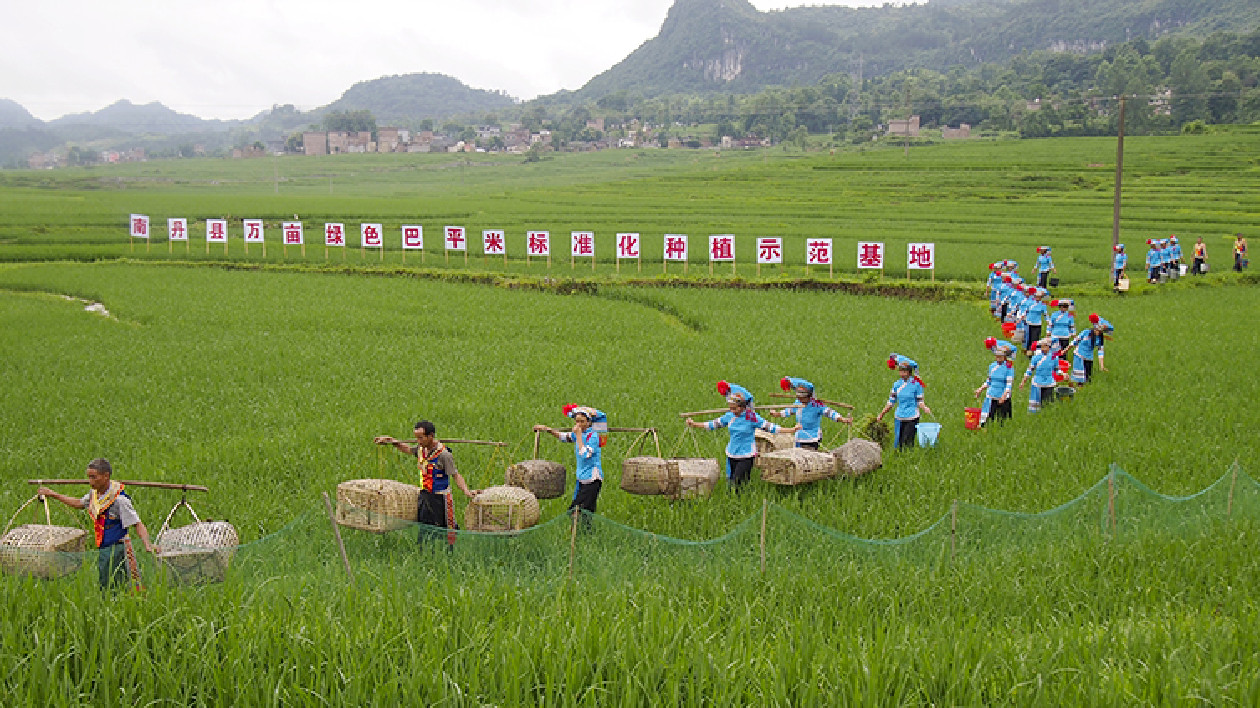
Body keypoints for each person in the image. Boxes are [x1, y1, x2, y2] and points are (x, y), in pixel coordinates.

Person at [38, 458, 157, 590]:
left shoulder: (120, 501)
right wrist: (53, 494)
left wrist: (147, 544)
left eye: (94, 477)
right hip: (103, 548)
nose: (90, 482)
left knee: (118, 585)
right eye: (89, 477)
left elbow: (137, 524)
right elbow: (79, 503)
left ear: (106, 476)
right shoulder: (94, 495)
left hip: (118, 549)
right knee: (105, 584)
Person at [375, 420, 478, 544]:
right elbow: (408, 449)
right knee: (424, 525)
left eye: (421, 438)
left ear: (431, 436)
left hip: (440, 498)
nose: (418, 441)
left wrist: (466, 491)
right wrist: (392, 441)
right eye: (416, 438)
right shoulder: (421, 449)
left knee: (444, 527)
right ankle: (424, 550)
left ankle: (449, 551)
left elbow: (455, 475)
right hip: (425, 494)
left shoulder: (444, 455)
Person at [686, 381, 798, 491]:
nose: (732, 411)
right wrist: (694, 424)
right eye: (730, 408)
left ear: (742, 406)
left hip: (746, 455)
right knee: (732, 484)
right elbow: (713, 424)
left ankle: (742, 500)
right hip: (732, 453)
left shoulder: (752, 417)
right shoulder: (729, 416)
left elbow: (771, 427)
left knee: (738, 483)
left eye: (735, 408)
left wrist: (791, 430)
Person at [536, 405, 606, 523]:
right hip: (582, 478)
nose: (578, 424)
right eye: (577, 421)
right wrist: (548, 429)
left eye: (582, 421)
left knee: (576, 509)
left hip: (592, 479)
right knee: (586, 512)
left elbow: (585, 454)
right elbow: (564, 437)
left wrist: (578, 435)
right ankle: (584, 534)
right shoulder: (580, 434)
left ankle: (579, 533)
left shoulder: (593, 436)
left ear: (589, 422)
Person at [772, 376, 852, 449]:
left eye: (802, 398)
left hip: (812, 438)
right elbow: (788, 411)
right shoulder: (798, 403)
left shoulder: (816, 405)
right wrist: (777, 414)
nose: (800, 400)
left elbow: (830, 413)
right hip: (799, 437)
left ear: (808, 397)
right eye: (798, 397)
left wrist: (843, 419)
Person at [876, 355, 932, 449]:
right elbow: (891, 402)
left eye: (904, 371)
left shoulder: (916, 384)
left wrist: (925, 408)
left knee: (908, 442)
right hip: (899, 416)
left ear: (909, 372)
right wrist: (882, 414)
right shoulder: (897, 385)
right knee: (899, 442)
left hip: (912, 417)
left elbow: (920, 401)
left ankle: (908, 459)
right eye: (900, 371)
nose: (902, 373)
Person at [973, 342, 1013, 426]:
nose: (998, 358)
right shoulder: (992, 366)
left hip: (1002, 395)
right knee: (989, 416)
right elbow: (989, 381)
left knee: (1002, 419)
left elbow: (1009, 384)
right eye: (997, 356)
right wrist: (980, 389)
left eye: (1000, 357)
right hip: (992, 394)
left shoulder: (1009, 368)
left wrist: (1004, 396)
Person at [1065, 314, 1112, 386]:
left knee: (1088, 377)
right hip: (1079, 355)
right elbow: (1075, 341)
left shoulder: (1099, 339)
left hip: (1089, 357)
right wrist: (1066, 350)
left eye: (1100, 331)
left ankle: (1085, 388)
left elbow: (1100, 352)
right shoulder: (1086, 332)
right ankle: (1078, 387)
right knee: (1079, 376)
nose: (1098, 332)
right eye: (1097, 330)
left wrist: (1102, 366)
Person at [1020, 338, 1061, 413]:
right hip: (1038, 382)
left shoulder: (1054, 357)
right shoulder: (1036, 358)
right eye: (1042, 347)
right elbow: (1030, 370)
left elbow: (1056, 369)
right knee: (1037, 401)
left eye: (1046, 346)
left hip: (1049, 382)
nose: (1044, 349)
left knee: (1048, 402)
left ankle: (1047, 413)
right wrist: (1023, 381)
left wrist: (1063, 374)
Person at [1020, 287, 1049, 356]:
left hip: (1037, 323)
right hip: (1029, 322)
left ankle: (1033, 351)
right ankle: (1027, 350)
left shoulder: (1043, 305)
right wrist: (1022, 317)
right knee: (1028, 337)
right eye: (1036, 297)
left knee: (1035, 338)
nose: (1038, 298)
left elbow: (1045, 314)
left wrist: (1048, 321)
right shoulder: (1029, 303)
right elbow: (1025, 311)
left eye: (1039, 297)